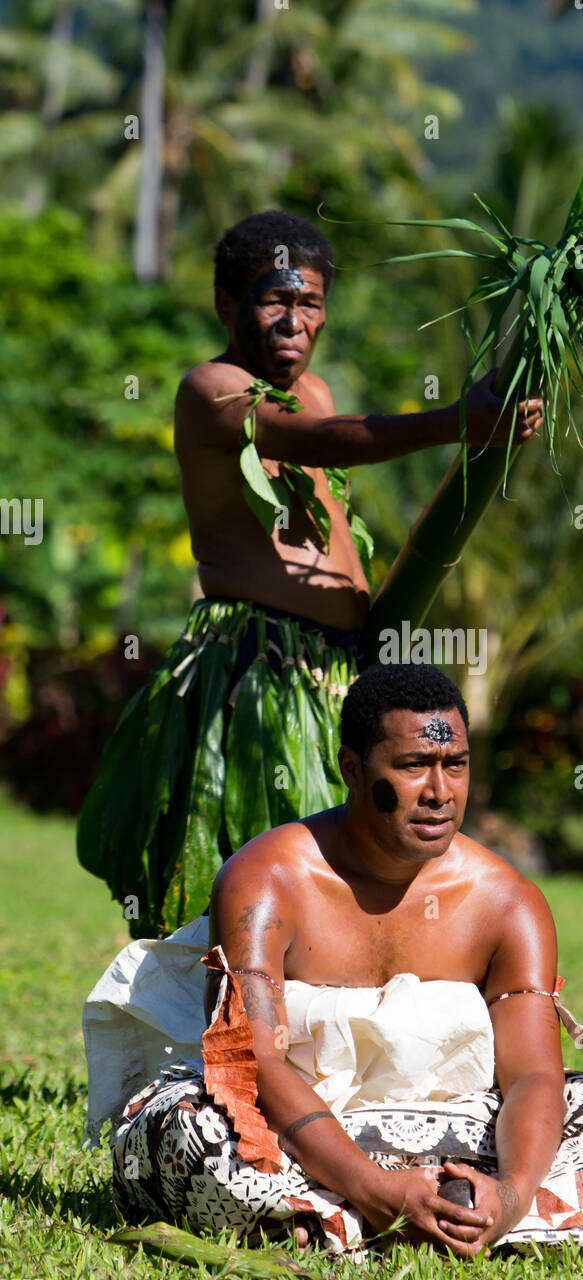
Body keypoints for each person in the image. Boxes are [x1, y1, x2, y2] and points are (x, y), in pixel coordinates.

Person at [84, 663, 583, 1266]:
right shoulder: (269, 878)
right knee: (186, 1135)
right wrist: (371, 1184)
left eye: (456, 764)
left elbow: (534, 1073)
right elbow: (254, 1060)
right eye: (415, 764)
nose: (439, 791)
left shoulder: (508, 903)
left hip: (461, 1129)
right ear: (352, 766)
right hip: (294, 1132)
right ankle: (392, 1215)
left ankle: (405, 1222)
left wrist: (507, 1195)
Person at [76, 208, 544, 938]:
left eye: (310, 303)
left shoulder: (316, 388)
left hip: (335, 673)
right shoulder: (212, 390)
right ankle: (224, 1028)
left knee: (347, 868)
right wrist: (457, 419)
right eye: (275, 300)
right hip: (257, 668)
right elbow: (324, 444)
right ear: (229, 305)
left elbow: (328, 447)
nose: (293, 320)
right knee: (261, 863)